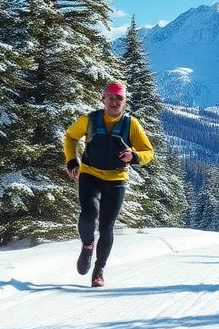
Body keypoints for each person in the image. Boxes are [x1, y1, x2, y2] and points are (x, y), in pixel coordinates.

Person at [64, 81, 154, 287]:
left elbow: (149, 152)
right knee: (88, 215)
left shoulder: (132, 125)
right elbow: (70, 137)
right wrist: (71, 160)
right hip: (90, 174)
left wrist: (135, 156)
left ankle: (99, 269)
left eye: (119, 98)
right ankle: (88, 245)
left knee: (106, 227)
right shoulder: (90, 120)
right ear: (103, 99)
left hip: (116, 180)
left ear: (124, 101)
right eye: (111, 97)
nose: (114, 102)